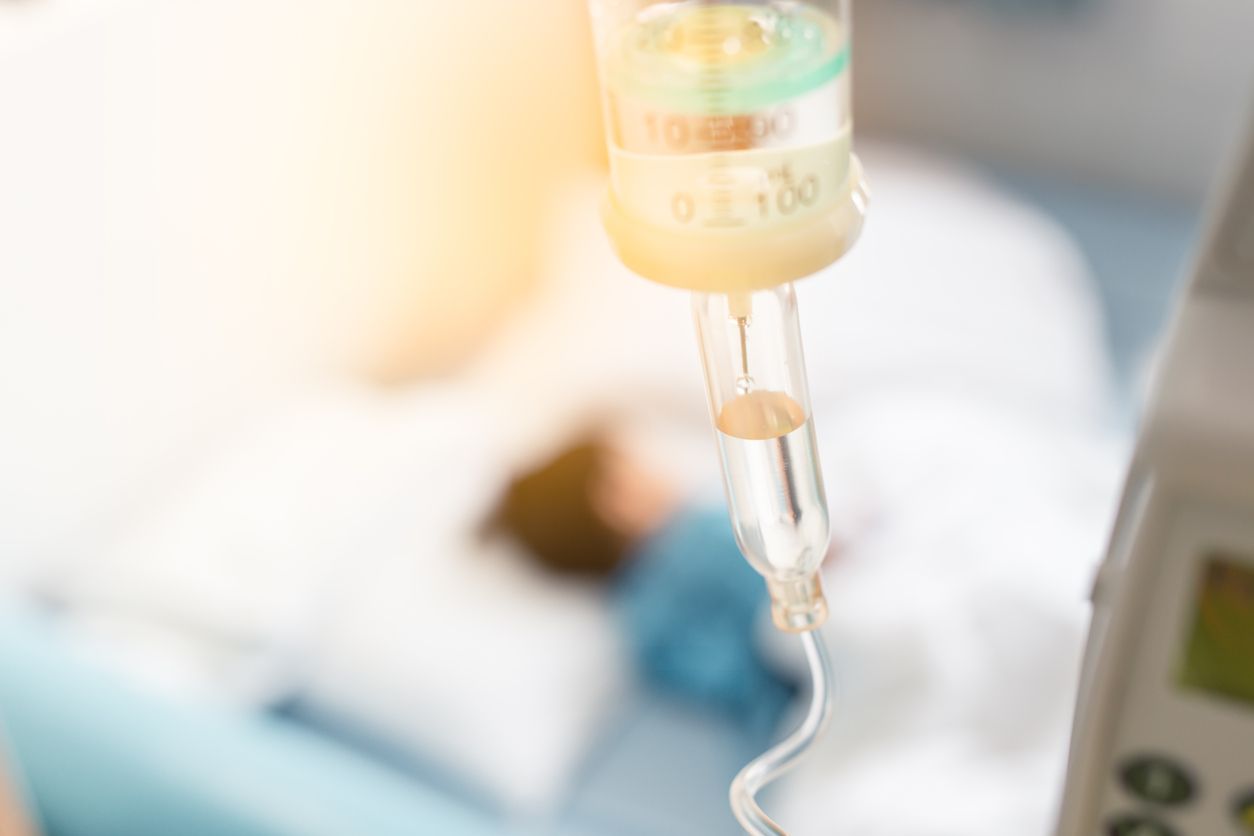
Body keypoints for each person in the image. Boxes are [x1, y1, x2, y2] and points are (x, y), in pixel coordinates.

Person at [486, 435, 799, 734]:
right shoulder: (699, 537)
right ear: (612, 502)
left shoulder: (639, 632)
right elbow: (804, 571)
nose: (652, 467)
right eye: (631, 464)